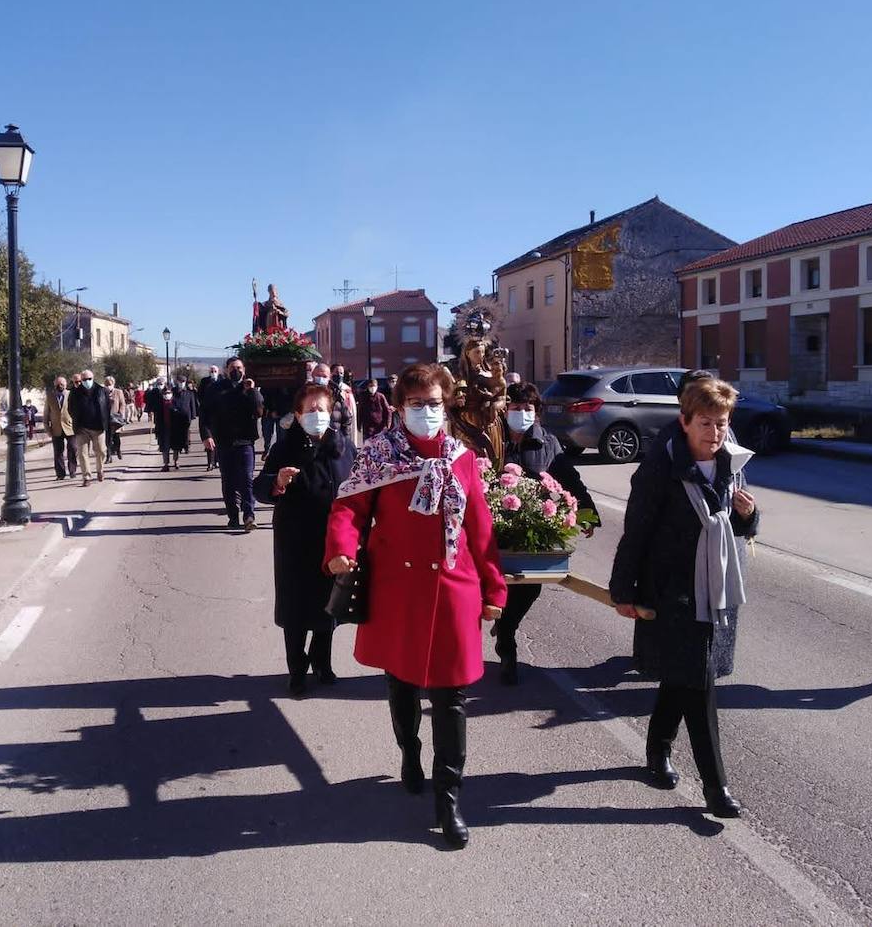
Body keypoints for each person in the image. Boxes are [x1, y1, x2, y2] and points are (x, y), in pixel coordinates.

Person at [325, 362, 506, 849]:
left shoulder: (462, 458)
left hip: (453, 588)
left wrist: (494, 589)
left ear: (446, 405)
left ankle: (448, 800)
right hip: (398, 590)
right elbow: (349, 506)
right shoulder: (379, 454)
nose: (426, 412)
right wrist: (341, 547)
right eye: (416, 404)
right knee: (401, 682)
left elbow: (480, 530)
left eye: (434, 403)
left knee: (452, 697)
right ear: (400, 406)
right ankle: (409, 750)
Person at [608, 377, 759, 819]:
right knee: (700, 684)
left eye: (723, 424)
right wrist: (623, 591)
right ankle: (716, 787)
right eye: (707, 423)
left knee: (686, 674)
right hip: (672, 588)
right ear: (685, 421)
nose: (715, 434)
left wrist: (750, 516)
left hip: (717, 586)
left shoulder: (732, 462)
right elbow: (635, 533)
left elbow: (742, 526)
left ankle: (657, 749)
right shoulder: (658, 469)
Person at [493, 382, 601, 684]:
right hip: (493, 526)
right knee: (495, 585)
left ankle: (507, 633)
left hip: (531, 527)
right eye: (515, 408)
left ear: (536, 413)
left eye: (527, 409)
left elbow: (570, 480)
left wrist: (587, 515)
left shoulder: (548, 443)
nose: (521, 413)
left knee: (529, 585)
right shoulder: (491, 439)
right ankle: (505, 635)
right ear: (505, 410)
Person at [255, 383, 355, 695]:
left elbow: (358, 488)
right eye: (310, 410)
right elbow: (259, 488)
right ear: (298, 415)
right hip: (295, 538)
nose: (316, 415)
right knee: (297, 606)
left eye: (322, 409)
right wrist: (277, 482)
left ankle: (322, 663)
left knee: (329, 604)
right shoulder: (284, 448)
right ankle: (297, 669)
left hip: (331, 538)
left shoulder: (344, 447)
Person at [201, 356, 264, 530]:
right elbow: (204, 414)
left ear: (244, 370)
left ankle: (249, 515)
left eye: (239, 368)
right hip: (224, 441)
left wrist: (252, 391)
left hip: (245, 441)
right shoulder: (215, 389)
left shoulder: (250, 388)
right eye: (233, 368)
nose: (236, 371)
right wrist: (207, 435)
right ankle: (233, 516)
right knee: (228, 482)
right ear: (226, 370)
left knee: (246, 479)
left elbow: (259, 411)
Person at [69, 370, 110, 486]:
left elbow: (107, 407)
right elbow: (70, 408)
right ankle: (86, 477)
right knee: (82, 453)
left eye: (89, 379)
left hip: (98, 427)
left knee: (101, 451)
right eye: (84, 380)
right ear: (80, 380)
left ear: (93, 378)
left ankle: (100, 470)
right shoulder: (75, 392)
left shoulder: (102, 391)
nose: (87, 381)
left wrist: (105, 423)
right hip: (82, 428)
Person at [45, 376, 77, 480]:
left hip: (70, 427)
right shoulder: (50, 396)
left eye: (62, 384)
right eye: (58, 384)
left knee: (72, 449)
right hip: (56, 428)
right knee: (58, 452)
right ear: (55, 385)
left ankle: (72, 471)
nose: (60, 386)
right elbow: (46, 414)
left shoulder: (71, 394)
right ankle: (60, 474)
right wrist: (47, 429)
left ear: (66, 384)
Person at [198, 365, 224, 472]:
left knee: (219, 441)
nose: (213, 372)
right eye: (211, 371)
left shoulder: (223, 381)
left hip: (221, 415)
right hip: (209, 414)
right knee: (209, 440)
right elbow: (200, 395)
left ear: (218, 372)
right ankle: (210, 463)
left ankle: (217, 460)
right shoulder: (205, 382)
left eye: (215, 371)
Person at [105, 376, 128, 462]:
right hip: (106, 419)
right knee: (107, 439)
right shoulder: (103, 392)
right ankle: (108, 456)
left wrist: (121, 415)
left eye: (109, 384)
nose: (108, 386)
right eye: (106, 384)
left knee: (116, 438)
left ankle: (118, 450)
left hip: (116, 419)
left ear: (113, 384)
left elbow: (122, 404)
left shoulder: (118, 392)